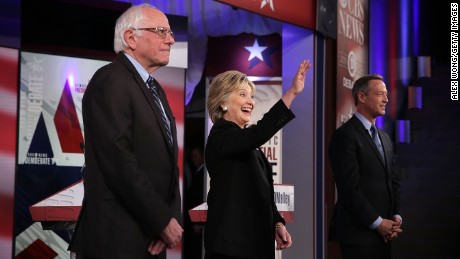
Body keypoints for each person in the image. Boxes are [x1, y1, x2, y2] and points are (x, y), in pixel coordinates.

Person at [69, 4, 183, 259]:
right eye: (161, 31)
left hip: (150, 237)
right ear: (131, 38)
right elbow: (119, 162)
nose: (171, 40)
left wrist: (168, 218)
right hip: (116, 239)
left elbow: (167, 164)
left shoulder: (156, 89)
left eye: (170, 32)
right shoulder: (110, 80)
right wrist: (161, 220)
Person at [204, 60, 311, 259]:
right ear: (222, 102)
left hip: (255, 243)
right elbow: (260, 132)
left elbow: (263, 192)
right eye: (242, 94)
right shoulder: (221, 135)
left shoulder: (246, 143)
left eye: (251, 96)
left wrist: (277, 223)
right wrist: (292, 94)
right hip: (232, 248)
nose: (251, 101)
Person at [328, 74, 403, 259]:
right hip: (358, 235)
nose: (386, 99)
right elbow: (349, 188)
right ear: (361, 97)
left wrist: (395, 215)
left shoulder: (384, 137)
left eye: (386, 94)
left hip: (385, 234)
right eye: (380, 94)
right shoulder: (345, 136)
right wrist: (377, 223)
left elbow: (393, 180)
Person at [183, 145, 206, 259]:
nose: (193, 159)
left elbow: (202, 198)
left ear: (203, 156)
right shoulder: (197, 172)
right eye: (192, 156)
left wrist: (199, 222)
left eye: (195, 156)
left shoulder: (204, 175)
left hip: (197, 221)